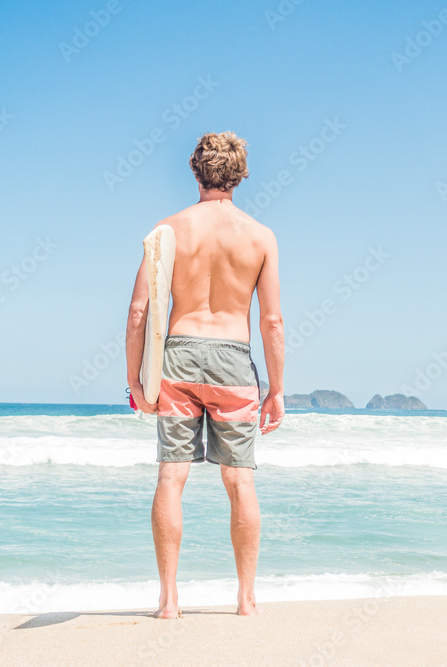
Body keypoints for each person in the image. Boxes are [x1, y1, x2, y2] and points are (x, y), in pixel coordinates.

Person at [125, 131, 285, 618]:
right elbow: (271, 321)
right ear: (240, 175)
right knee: (240, 482)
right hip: (234, 360)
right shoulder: (260, 236)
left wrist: (136, 382)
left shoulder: (167, 231)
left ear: (195, 171)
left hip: (178, 356)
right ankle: (246, 598)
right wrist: (276, 389)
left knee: (172, 477)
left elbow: (138, 312)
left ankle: (169, 600)